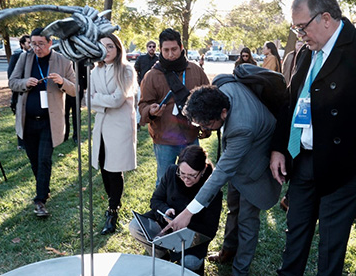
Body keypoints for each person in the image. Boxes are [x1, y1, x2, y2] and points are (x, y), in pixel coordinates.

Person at [269, 0, 356, 275]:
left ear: (326, 18)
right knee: (294, 237)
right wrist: (280, 147)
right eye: (295, 28)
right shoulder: (305, 53)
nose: (300, 34)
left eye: (302, 27)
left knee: (331, 248)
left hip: (345, 168)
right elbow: (291, 103)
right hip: (303, 160)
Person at [163, 84, 282, 276]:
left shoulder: (242, 128)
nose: (203, 129)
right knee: (233, 208)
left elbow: (220, 174)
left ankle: (240, 270)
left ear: (223, 113)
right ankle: (228, 251)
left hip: (256, 167)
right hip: (238, 159)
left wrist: (188, 212)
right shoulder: (223, 87)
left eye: (206, 125)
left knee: (247, 221)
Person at [9, 27, 76, 217]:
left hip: (49, 121)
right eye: (33, 43)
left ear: (50, 43)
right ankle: (43, 188)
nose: (36, 48)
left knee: (44, 158)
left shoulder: (62, 61)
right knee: (34, 159)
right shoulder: (25, 58)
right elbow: (12, 81)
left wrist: (62, 81)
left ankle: (40, 201)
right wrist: (24, 83)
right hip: (28, 119)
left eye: (40, 44)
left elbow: (74, 89)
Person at [129, 145, 221, 275]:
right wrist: (165, 210)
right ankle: (162, 257)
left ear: (203, 170)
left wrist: (185, 225)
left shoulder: (212, 189)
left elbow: (210, 230)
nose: (185, 179)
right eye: (182, 173)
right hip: (164, 224)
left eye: (192, 175)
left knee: (191, 262)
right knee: (135, 226)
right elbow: (155, 200)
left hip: (191, 238)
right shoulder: (172, 172)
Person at [139, 28, 210, 187]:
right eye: (166, 50)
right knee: (164, 182)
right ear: (160, 50)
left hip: (191, 136)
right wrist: (150, 111)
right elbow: (143, 105)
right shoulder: (152, 75)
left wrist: (206, 126)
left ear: (181, 47)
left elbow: (208, 100)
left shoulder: (196, 70)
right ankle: (163, 211)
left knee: (194, 180)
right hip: (164, 138)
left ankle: (190, 212)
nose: (170, 54)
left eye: (174, 49)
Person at [90, 33, 137, 235]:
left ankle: (112, 210)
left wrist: (98, 99)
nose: (106, 51)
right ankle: (112, 203)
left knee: (114, 169)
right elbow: (87, 99)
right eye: (103, 47)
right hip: (101, 124)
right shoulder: (95, 70)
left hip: (119, 126)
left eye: (110, 46)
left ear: (118, 48)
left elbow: (118, 100)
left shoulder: (126, 69)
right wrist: (101, 100)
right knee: (103, 165)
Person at [7, 34, 31, 151]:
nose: (31, 45)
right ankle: (20, 143)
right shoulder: (17, 56)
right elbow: (11, 76)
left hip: (31, 91)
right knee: (20, 117)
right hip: (19, 92)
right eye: (28, 43)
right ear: (22, 44)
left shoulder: (34, 56)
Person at [134, 41, 158, 130]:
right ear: (147, 47)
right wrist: (139, 81)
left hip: (155, 86)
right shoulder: (141, 58)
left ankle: (153, 123)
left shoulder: (158, 60)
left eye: (153, 46)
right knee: (140, 104)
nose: (152, 48)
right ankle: (138, 123)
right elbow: (136, 71)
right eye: (150, 46)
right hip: (142, 85)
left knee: (155, 104)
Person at [64, 59, 88, 143]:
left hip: (77, 85)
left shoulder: (79, 58)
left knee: (75, 113)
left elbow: (85, 73)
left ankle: (75, 135)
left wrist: (83, 86)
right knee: (65, 113)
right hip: (66, 87)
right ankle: (66, 135)